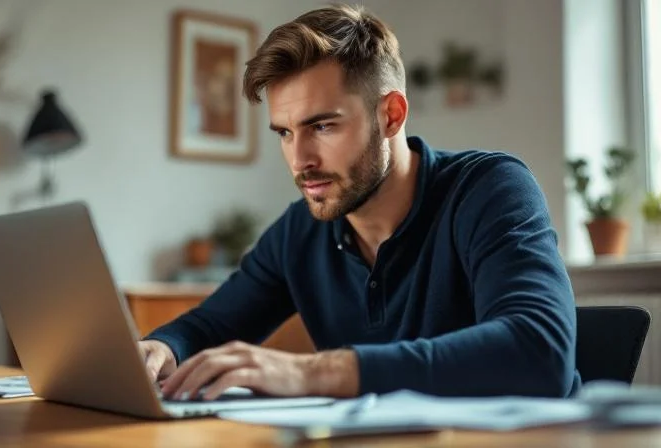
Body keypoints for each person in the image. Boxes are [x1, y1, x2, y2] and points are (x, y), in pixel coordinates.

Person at [141, 3, 580, 401]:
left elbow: (539, 352)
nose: (300, 160)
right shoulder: (300, 230)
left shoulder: (490, 189)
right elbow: (208, 327)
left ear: (390, 115)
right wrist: (161, 350)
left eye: (323, 126)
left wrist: (316, 372)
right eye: (285, 132)